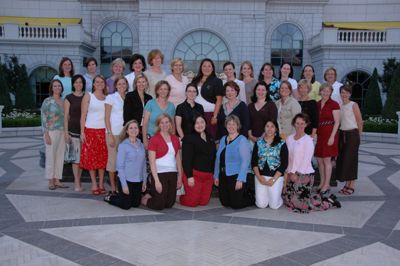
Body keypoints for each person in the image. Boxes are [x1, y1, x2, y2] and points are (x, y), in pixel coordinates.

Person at [284, 113, 341, 213]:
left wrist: (297, 175)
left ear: (306, 124)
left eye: (302, 123)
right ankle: (316, 197)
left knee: (301, 207)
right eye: (297, 123)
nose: (300, 126)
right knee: (289, 202)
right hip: (291, 173)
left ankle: (329, 202)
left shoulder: (308, 140)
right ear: (294, 124)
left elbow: (306, 161)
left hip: (304, 174)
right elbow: (288, 158)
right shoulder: (289, 138)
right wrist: (289, 172)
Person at [141, 114, 183, 210]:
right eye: (162, 123)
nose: (164, 125)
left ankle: (154, 194)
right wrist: (156, 181)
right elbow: (151, 162)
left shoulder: (175, 139)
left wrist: (180, 176)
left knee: (169, 204)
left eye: (167, 122)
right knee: (159, 205)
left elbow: (178, 159)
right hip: (159, 173)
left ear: (170, 124)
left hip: (172, 173)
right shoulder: (154, 139)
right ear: (158, 125)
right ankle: (145, 199)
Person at [104, 120, 147, 209]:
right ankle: (111, 197)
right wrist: (124, 185)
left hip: (138, 180)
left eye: (136, 128)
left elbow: (143, 165)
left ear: (139, 130)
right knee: (126, 205)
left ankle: (123, 197)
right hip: (126, 180)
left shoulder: (141, 145)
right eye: (131, 128)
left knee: (135, 204)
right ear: (127, 131)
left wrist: (144, 181)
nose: (133, 130)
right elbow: (120, 166)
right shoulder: (123, 145)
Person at [214, 115, 254, 209]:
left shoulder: (242, 140)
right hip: (223, 175)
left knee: (236, 204)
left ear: (238, 126)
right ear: (226, 125)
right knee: (225, 203)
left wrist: (240, 179)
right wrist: (216, 175)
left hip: (236, 175)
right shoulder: (223, 139)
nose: (231, 126)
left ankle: (252, 196)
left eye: (234, 124)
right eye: (229, 124)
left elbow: (246, 161)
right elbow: (218, 158)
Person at [80, 75, 108, 195]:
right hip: (90, 131)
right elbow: (83, 116)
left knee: (102, 159)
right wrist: (82, 132)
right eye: (97, 82)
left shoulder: (107, 98)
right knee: (91, 159)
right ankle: (94, 184)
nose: (99, 83)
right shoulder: (88, 96)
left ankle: (101, 183)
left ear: (104, 84)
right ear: (93, 84)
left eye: (102, 82)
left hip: (103, 131)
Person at [180, 116, 216, 207]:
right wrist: (189, 176)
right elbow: (186, 158)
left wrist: (214, 175)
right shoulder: (189, 138)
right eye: (197, 123)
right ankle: (177, 197)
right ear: (193, 125)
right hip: (195, 175)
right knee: (192, 203)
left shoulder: (210, 137)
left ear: (205, 123)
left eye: (202, 122)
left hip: (208, 176)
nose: (200, 125)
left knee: (203, 202)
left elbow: (213, 157)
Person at [252, 120, 288, 209]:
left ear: (276, 129)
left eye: (272, 126)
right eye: (267, 126)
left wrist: (273, 180)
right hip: (261, 176)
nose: (270, 129)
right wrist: (259, 177)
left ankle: (276, 198)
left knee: (274, 206)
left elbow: (284, 163)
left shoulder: (282, 143)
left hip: (276, 177)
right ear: (264, 128)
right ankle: (267, 195)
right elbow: (254, 161)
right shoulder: (258, 143)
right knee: (261, 205)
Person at [336, 85, 363, 195]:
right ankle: (346, 184)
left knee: (351, 160)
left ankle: (352, 184)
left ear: (350, 94)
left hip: (352, 135)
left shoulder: (353, 105)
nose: (344, 94)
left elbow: (360, 121)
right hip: (343, 135)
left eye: (347, 92)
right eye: (342, 92)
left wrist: (358, 137)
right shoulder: (340, 105)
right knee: (345, 160)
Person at [41, 79, 68, 190]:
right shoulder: (47, 101)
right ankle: (50, 180)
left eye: (59, 86)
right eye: (55, 86)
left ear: (61, 88)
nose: (57, 88)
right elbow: (43, 118)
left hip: (62, 131)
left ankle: (57, 179)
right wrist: (46, 134)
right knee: (51, 156)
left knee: (60, 156)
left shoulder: (63, 101)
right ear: (51, 88)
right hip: (51, 132)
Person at [315, 83, 340, 195]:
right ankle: (321, 182)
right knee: (319, 160)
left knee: (327, 160)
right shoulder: (317, 104)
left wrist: (332, 137)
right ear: (320, 92)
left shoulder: (334, 104)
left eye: (327, 91)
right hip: (319, 134)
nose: (325, 93)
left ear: (330, 92)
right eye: (323, 90)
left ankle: (327, 184)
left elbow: (337, 122)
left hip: (329, 133)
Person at [105, 77, 128, 195]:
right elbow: (107, 117)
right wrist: (109, 134)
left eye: (124, 84)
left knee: (123, 162)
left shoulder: (129, 97)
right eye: (119, 84)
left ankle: (122, 185)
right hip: (113, 133)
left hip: (126, 134)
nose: (122, 85)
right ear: (115, 85)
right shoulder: (111, 97)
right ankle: (114, 188)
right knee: (113, 161)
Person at [191, 58, 224, 139]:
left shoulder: (217, 81)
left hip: (210, 114)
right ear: (201, 67)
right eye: (204, 66)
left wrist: (215, 116)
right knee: (197, 138)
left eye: (209, 66)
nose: (206, 68)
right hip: (196, 114)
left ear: (212, 68)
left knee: (211, 138)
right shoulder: (195, 80)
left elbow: (219, 100)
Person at [64, 74, 85, 192]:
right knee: (75, 159)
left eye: (80, 82)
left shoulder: (87, 97)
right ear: (73, 84)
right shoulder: (69, 98)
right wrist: (65, 132)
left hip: (84, 132)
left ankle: (79, 179)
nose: (78, 84)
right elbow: (66, 116)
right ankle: (77, 182)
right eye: (76, 82)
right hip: (72, 132)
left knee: (81, 158)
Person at [142, 80, 176, 148]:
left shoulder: (171, 106)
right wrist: (145, 140)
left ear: (168, 91)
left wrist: (173, 139)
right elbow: (145, 124)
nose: (163, 91)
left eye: (165, 89)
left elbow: (172, 125)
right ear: (157, 91)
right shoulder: (150, 103)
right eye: (161, 89)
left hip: (167, 139)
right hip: (152, 138)